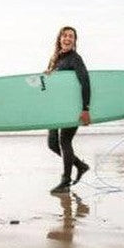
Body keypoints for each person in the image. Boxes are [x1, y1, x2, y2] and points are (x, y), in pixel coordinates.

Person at [44, 25, 91, 194]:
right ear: (59, 39)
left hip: (72, 107)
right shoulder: (55, 59)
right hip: (56, 107)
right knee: (52, 144)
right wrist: (48, 76)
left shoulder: (75, 59)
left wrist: (85, 109)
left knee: (65, 141)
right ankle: (80, 165)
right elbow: (52, 85)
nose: (67, 38)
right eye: (64, 35)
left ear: (74, 40)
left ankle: (65, 181)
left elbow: (85, 82)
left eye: (71, 36)